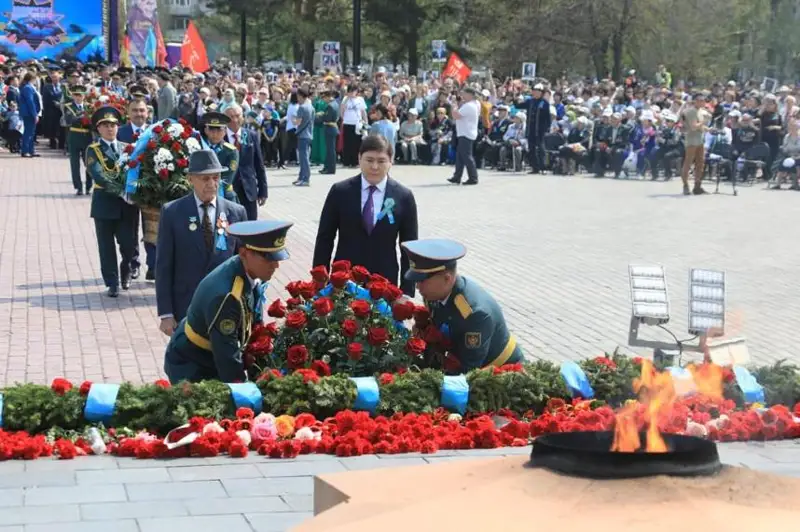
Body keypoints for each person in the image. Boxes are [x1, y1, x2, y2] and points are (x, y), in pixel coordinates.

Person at [163, 220, 293, 383]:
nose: (276, 265)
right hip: (193, 364)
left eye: (277, 257)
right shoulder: (227, 297)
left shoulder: (248, 272)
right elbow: (228, 360)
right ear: (244, 253)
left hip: (211, 353)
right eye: (268, 258)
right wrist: (244, 394)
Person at [156, 149, 248, 334]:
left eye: (215, 177)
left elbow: (245, 262)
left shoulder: (236, 213)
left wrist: (247, 305)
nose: (212, 184)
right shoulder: (172, 212)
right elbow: (164, 265)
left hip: (225, 305)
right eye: (205, 179)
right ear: (190, 179)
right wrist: (166, 313)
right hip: (186, 306)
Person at [313, 135, 419, 296]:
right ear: (359, 158)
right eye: (369, 160)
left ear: (391, 161)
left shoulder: (403, 196)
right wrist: (319, 279)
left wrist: (406, 291)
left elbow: (409, 248)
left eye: (381, 161)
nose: (375, 166)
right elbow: (325, 238)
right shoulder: (340, 191)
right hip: (345, 281)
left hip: (385, 281)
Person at [402, 238, 523, 372]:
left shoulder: (475, 314)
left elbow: (468, 370)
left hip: (499, 373)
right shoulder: (434, 295)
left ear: (446, 278)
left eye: (422, 281)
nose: (418, 286)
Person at [86, 106, 137, 298]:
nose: (110, 129)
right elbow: (99, 175)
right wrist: (120, 192)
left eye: (113, 125)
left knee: (128, 244)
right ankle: (112, 282)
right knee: (106, 247)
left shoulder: (127, 148)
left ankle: (126, 269)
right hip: (105, 205)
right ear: (98, 129)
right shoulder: (93, 150)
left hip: (126, 206)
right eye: (105, 125)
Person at [117, 93, 151, 280]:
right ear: (128, 113)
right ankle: (133, 263)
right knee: (130, 229)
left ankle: (153, 264)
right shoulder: (120, 133)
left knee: (151, 228)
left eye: (142, 110)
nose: (139, 114)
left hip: (150, 190)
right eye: (135, 110)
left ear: (147, 112)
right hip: (127, 190)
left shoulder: (155, 131)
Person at [225, 104, 267, 219]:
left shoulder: (251, 135)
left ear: (242, 117)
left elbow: (259, 165)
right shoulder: (220, 136)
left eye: (237, 116)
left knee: (250, 228)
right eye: (230, 116)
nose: (234, 120)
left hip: (248, 190)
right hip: (228, 191)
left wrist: (263, 191)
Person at [201, 111, 239, 203]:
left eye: (219, 130)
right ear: (206, 130)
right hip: (201, 192)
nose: (215, 133)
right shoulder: (199, 147)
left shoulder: (230, 151)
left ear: (225, 131)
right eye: (212, 129)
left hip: (224, 195)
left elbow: (228, 177)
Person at [447, 87, 481, 185]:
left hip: (466, 133)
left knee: (466, 156)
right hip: (466, 132)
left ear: (470, 95)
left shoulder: (469, 106)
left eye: (464, 94)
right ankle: (457, 176)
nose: (462, 96)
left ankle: (473, 178)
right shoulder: (475, 103)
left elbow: (455, 115)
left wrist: (454, 104)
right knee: (460, 156)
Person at [63, 85, 93, 195]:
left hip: (87, 137)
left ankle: (89, 186)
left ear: (84, 96)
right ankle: (78, 187)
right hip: (74, 136)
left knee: (89, 163)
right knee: (75, 164)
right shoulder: (68, 106)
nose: (78, 97)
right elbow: (69, 119)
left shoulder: (89, 107)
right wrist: (82, 118)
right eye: (76, 95)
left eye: (80, 95)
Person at [680, 92, 710, 195]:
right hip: (692, 141)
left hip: (699, 140)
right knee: (688, 163)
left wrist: (708, 129)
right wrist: (704, 122)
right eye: (700, 100)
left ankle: (697, 186)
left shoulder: (700, 111)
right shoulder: (691, 111)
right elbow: (693, 127)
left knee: (700, 164)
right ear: (695, 101)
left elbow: (699, 126)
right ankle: (685, 185)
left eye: (703, 100)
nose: (702, 102)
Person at [293, 87, 314, 186]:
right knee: (303, 157)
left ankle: (305, 179)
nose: (297, 98)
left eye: (298, 96)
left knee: (303, 158)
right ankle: (301, 177)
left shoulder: (302, 107)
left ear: (301, 96)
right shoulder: (311, 106)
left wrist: (292, 120)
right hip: (309, 134)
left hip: (302, 134)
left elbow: (298, 122)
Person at [18, 72, 41, 158]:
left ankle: (31, 150)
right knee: (28, 132)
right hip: (29, 113)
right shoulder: (28, 88)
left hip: (30, 112)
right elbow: (30, 102)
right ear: (32, 79)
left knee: (31, 132)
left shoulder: (30, 87)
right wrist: (34, 114)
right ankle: (25, 151)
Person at [319, 90, 340, 175]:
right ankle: (327, 167)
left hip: (330, 128)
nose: (323, 100)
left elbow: (327, 118)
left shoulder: (330, 106)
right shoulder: (335, 104)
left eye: (324, 98)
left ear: (328, 97)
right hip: (332, 128)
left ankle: (330, 169)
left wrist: (321, 115)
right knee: (329, 150)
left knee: (330, 150)